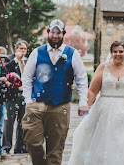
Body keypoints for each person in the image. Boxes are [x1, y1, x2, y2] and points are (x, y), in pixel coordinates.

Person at [68, 41, 124, 165]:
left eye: (121, 51)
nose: (118, 54)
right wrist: (86, 105)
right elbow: (93, 90)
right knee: (103, 141)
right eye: (115, 51)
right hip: (105, 110)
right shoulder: (103, 68)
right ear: (111, 53)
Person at [21, 19, 89, 165]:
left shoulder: (72, 54)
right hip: (37, 104)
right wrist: (28, 100)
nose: (55, 35)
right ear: (48, 33)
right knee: (33, 142)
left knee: (56, 149)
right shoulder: (37, 52)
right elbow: (26, 77)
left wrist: (83, 102)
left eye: (58, 33)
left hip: (60, 105)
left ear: (63, 34)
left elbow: (81, 79)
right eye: (53, 32)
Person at [2, 40, 28, 155]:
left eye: (25, 49)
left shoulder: (27, 61)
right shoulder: (9, 59)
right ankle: (6, 147)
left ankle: (20, 147)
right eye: (21, 48)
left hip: (24, 95)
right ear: (16, 49)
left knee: (22, 122)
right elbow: (5, 70)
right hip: (11, 95)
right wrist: (16, 60)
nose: (23, 51)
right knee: (9, 123)